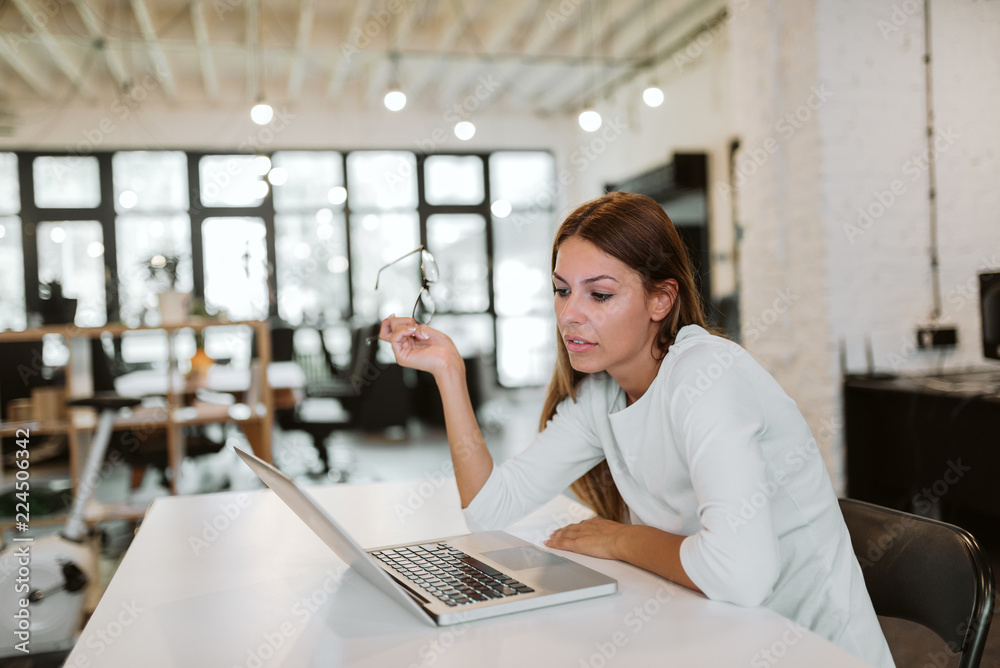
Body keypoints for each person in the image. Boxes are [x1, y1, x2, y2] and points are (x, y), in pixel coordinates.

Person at [378, 191, 894, 668]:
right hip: (720, 636)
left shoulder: (705, 376)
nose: (570, 315)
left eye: (599, 295)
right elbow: (488, 509)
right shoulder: (603, 394)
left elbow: (741, 573)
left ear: (660, 300)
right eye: (561, 291)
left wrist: (624, 541)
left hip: (811, 650)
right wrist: (448, 371)